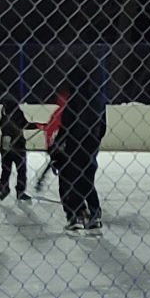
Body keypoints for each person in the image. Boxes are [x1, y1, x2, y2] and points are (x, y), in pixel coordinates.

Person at [51, 68, 110, 233]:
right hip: (91, 146)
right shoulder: (98, 101)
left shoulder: (74, 101)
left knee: (72, 180)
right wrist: (95, 141)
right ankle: (94, 214)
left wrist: (57, 144)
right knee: (87, 179)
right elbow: (103, 127)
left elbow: (66, 126)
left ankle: (76, 215)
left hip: (75, 146)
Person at [34, 88, 69, 198]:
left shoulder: (59, 112)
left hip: (58, 143)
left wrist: (49, 143)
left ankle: (41, 181)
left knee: (55, 164)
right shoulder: (64, 111)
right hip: (63, 143)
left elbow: (51, 128)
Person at [0, 99, 33, 201]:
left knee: (9, 170)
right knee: (18, 170)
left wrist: (37, 125)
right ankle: (15, 191)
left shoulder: (8, 114)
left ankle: (7, 190)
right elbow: (23, 124)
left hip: (14, 147)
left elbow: (23, 124)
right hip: (16, 147)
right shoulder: (9, 114)